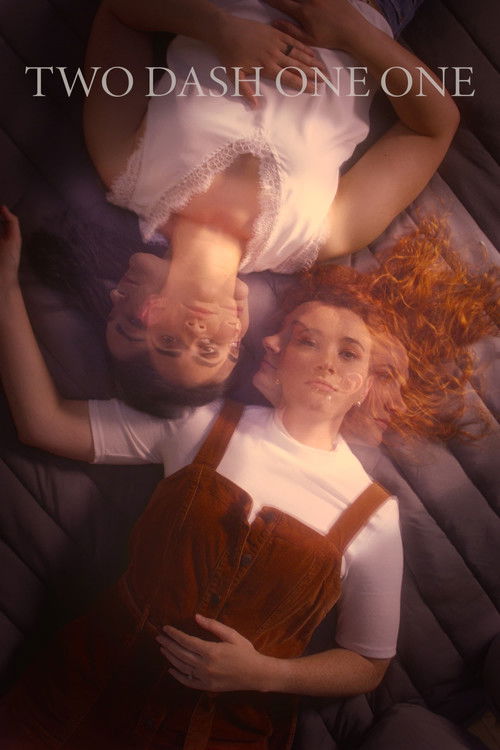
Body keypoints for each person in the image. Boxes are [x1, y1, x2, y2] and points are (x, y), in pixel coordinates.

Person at [0, 207, 497, 748]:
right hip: (74, 700)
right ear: (275, 352)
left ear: (364, 384)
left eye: (349, 352)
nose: (328, 363)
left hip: (223, 734)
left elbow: (367, 663)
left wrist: (266, 674)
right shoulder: (198, 422)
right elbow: (43, 422)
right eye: (308, 340)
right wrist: (5, 283)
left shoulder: (373, 513)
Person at [82, 0, 459, 394]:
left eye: (140, 329)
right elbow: (434, 127)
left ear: (123, 295)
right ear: (239, 333)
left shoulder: (123, 168)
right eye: (208, 351)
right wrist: (355, 34)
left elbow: (119, 12)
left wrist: (217, 28)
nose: (192, 332)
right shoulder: (315, 237)